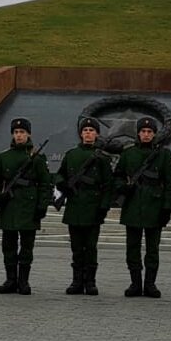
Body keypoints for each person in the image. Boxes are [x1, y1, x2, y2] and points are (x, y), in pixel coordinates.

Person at [113, 115, 171, 298]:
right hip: (132, 205)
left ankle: (150, 284)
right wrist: (123, 187)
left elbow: (170, 183)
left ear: (154, 134)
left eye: (149, 132)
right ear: (138, 133)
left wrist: (166, 208)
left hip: (154, 207)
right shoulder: (128, 153)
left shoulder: (163, 155)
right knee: (132, 248)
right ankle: (135, 283)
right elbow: (117, 176)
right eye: (143, 131)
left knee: (152, 250)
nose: (146, 134)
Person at [0, 117, 52, 295]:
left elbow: (45, 184)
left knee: (26, 246)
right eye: (16, 132)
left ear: (28, 134)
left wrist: (42, 206)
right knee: (8, 245)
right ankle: (10, 280)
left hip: (28, 206)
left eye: (22, 132)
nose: (19, 135)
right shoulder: (4, 156)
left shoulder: (37, 158)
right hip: (9, 205)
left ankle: (23, 281)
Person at [54, 116, 113, 295]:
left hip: (93, 207)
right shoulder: (71, 154)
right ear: (81, 134)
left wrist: (103, 208)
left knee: (91, 247)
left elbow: (108, 185)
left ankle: (91, 281)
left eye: (91, 131)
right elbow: (59, 175)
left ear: (97, 134)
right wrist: (64, 185)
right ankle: (76, 281)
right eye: (85, 130)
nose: (88, 133)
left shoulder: (102, 158)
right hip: (75, 205)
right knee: (76, 247)